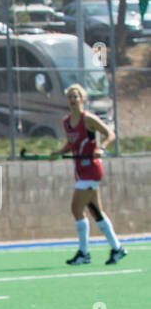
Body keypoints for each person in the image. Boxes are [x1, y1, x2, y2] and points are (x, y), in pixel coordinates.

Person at [51, 84, 128, 266]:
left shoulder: (89, 119)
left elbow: (110, 134)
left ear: (82, 99)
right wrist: (57, 152)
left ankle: (84, 253)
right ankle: (117, 249)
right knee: (95, 211)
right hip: (79, 170)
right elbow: (71, 144)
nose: (72, 100)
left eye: (75, 96)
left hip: (91, 169)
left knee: (76, 208)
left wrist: (101, 148)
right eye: (70, 97)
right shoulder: (66, 121)